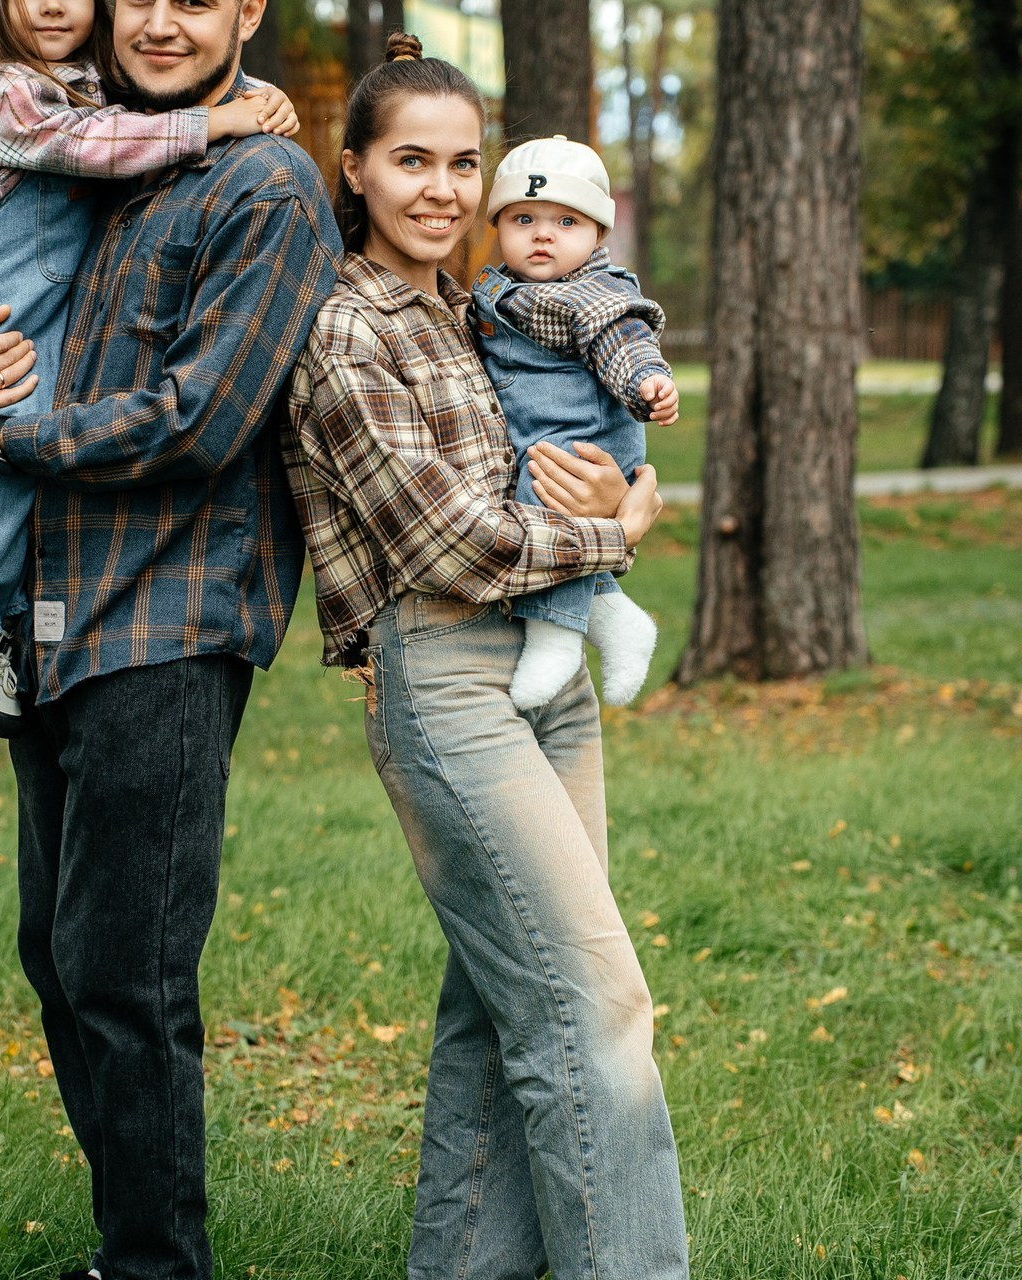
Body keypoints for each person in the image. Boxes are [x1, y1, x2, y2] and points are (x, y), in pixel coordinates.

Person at [0, 0, 341, 1276]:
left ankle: (156, 1264)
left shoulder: (263, 185)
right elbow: (8, 299)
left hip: (167, 618)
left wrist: (0, 434)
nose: (158, 21)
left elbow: (201, 419)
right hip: (53, 609)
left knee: (127, 970)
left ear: (246, 11)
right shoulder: (95, 156)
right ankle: (130, 1247)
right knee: (59, 954)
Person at [283, 33, 690, 1280]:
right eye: (410, 160)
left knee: (502, 1000)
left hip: (547, 672)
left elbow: (581, 426)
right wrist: (611, 530)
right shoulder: (344, 330)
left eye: (464, 164)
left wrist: (611, 488)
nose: (442, 189)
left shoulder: (485, 308)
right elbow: (445, 537)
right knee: (594, 1003)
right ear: (354, 169)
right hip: (447, 674)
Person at [0, 0, 300, 744]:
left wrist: (257, 97)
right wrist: (220, 119)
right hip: (1, 302)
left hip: (162, 610)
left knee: (15, 448)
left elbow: (163, 93)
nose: (54, 3)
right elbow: (95, 143)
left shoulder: (249, 174)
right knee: (6, 453)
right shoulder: (2, 88)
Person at [474, 135, 679, 711]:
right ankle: (616, 620)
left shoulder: (593, 295)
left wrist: (647, 383)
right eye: (524, 219)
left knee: (542, 498)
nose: (543, 235)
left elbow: (624, 342)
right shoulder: (506, 289)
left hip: (584, 442)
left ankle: (555, 638)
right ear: (498, 224)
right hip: (544, 432)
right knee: (538, 492)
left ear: (598, 234)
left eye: (566, 221)